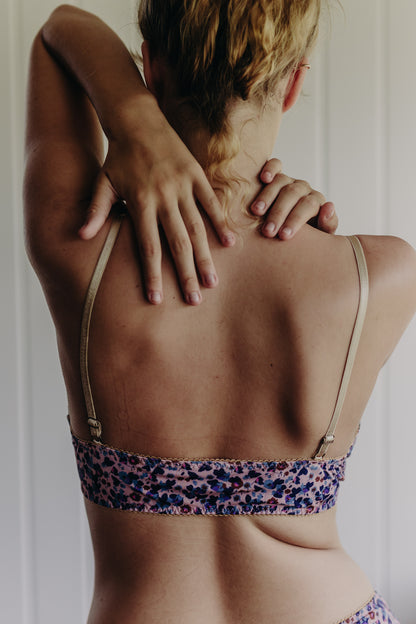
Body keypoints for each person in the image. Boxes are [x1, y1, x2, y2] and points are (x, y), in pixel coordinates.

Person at [24, 2, 416, 623]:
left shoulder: (79, 242)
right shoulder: (383, 275)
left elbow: (58, 32)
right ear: (293, 84)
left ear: (150, 69)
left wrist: (132, 119)